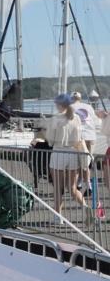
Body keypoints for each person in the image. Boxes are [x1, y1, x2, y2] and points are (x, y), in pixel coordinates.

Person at [43, 93, 90, 221]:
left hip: (59, 153)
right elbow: (79, 137)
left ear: (59, 105)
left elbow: (50, 140)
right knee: (72, 188)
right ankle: (86, 207)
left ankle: (58, 217)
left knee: (58, 187)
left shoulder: (55, 118)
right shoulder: (76, 118)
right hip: (73, 153)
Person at [71, 92, 97, 191]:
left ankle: (86, 184)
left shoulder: (70, 107)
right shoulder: (89, 106)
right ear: (80, 98)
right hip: (91, 136)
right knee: (87, 162)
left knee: (79, 162)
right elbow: (95, 120)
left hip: (80, 137)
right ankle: (81, 183)